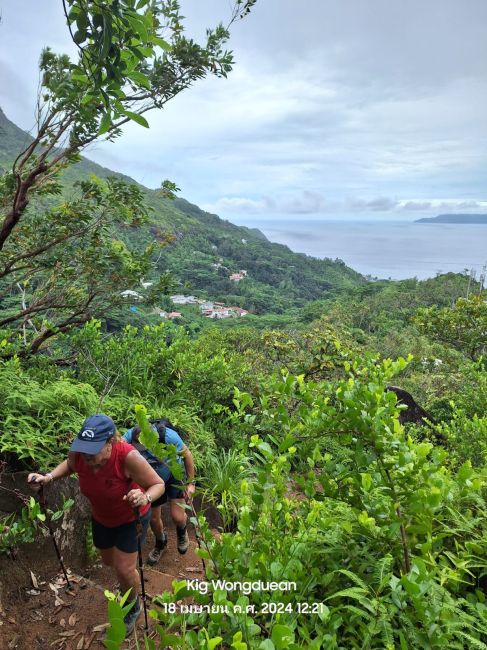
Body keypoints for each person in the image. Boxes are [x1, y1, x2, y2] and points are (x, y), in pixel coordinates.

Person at [27, 414, 165, 635]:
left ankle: (133, 606)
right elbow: (71, 465)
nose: (87, 456)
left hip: (131, 518)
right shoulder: (81, 452)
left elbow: (158, 484)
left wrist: (145, 498)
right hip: (102, 517)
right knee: (108, 561)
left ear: (110, 443)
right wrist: (48, 477)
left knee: (124, 568)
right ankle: (127, 584)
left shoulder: (128, 456)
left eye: (93, 451)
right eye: (84, 449)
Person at [123, 419, 195, 565]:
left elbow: (187, 454)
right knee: (154, 519)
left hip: (174, 474)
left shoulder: (169, 436)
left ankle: (182, 530)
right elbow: (117, 449)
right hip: (151, 480)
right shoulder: (129, 437)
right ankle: (161, 542)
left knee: (177, 516)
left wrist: (191, 483)